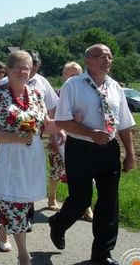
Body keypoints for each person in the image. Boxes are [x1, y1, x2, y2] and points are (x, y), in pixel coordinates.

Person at [49, 44, 136, 265]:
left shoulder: (115, 87)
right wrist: (90, 133)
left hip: (108, 150)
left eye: (109, 56)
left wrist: (130, 154)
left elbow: (124, 124)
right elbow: (61, 121)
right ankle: (58, 223)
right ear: (88, 61)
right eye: (100, 56)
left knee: (109, 203)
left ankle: (102, 254)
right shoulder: (73, 85)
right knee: (80, 200)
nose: (106, 60)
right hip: (80, 148)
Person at [0, 50, 57, 265]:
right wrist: (14, 138)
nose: (23, 71)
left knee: (21, 203)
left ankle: (3, 229)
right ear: (8, 70)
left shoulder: (36, 94)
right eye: (18, 67)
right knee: (14, 205)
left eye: (27, 67)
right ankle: (24, 256)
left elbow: (46, 125)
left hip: (30, 157)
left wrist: (71, 121)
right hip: (5, 157)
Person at [47, 61, 94, 221]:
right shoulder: (58, 94)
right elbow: (53, 117)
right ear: (64, 76)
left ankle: (85, 207)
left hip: (81, 139)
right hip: (60, 138)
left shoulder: (87, 92)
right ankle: (52, 196)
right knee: (57, 170)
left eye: (78, 74)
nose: (75, 77)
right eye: (71, 74)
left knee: (82, 174)